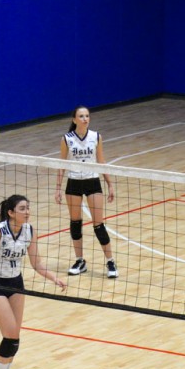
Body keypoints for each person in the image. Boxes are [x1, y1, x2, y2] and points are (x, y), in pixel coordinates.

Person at [0, 195, 67, 369]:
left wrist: (54, 277)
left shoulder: (29, 231)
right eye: (22, 208)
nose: (27, 212)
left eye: (28, 208)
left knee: (14, 337)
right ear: (11, 213)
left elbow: (37, 264)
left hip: (16, 284)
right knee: (10, 334)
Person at [55, 106, 117, 278]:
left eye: (87, 116)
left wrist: (110, 184)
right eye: (81, 116)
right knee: (75, 223)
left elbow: (101, 161)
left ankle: (110, 261)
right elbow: (62, 164)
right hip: (73, 183)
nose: (85, 119)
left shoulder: (96, 137)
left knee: (98, 224)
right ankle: (80, 261)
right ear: (74, 119)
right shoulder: (67, 139)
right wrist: (58, 188)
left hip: (92, 181)